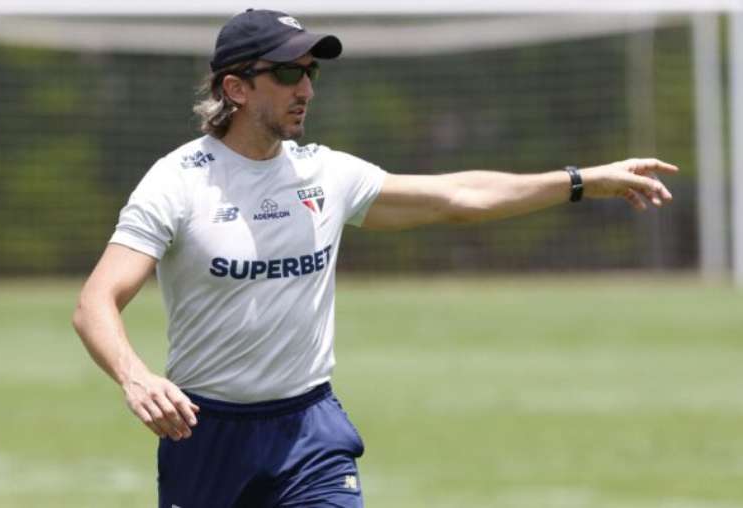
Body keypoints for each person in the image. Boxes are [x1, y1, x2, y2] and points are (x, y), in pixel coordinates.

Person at [72, 8, 678, 508]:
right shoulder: (176, 182)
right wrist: (136, 377)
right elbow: (97, 301)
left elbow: (457, 196)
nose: (305, 88)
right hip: (204, 433)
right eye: (286, 73)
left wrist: (579, 180)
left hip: (309, 429)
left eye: (310, 72)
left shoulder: (326, 173)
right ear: (235, 88)